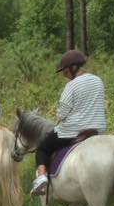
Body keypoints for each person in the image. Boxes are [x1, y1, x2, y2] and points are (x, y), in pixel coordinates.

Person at [30, 50, 107, 193]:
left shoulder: (71, 85)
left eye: (64, 71)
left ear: (73, 68)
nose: (64, 74)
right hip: (98, 129)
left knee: (42, 148)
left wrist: (59, 118)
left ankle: (41, 179)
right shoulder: (98, 80)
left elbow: (62, 113)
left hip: (73, 131)